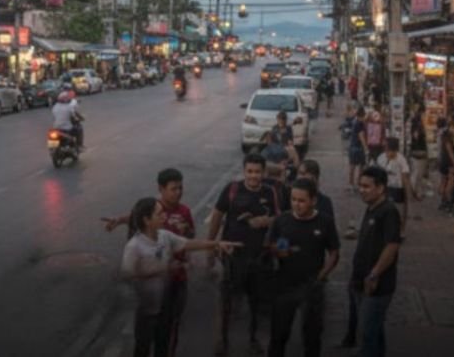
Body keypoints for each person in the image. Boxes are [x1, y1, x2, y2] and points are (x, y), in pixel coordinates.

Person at [121, 197, 240, 357]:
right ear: (147, 220)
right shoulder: (134, 246)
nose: (165, 216)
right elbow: (127, 274)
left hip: (165, 305)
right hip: (146, 311)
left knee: (163, 345)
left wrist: (217, 244)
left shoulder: (164, 236)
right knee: (142, 348)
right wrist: (163, 269)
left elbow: (189, 244)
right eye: (159, 214)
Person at [104, 169, 195, 356]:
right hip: (152, 286)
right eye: (173, 189)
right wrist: (119, 220)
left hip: (176, 280)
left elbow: (191, 236)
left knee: (169, 331)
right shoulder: (152, 209)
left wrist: (186, 231)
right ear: (161, 189)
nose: (178, 192)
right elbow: (136, 217)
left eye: (180, 188)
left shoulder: (184, 211)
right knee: (145, 334)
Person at [207, 153, 280, 356]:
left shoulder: (271, 192)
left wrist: (267, 222)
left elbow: (280, 219)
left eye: (257, 172)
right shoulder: (232, 190)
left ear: (264, 172)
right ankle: (221, 340)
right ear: (244, 171)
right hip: (233, 258)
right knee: (226, 301)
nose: (253, 176)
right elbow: (217, 217)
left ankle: (253, 339)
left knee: (256, 303)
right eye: (250, 171)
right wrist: (211, 247)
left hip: (259, 259)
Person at [267, 179, 340, 357]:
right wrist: (278, 251)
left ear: (313, 200)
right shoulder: (282, 220)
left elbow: (334, 252)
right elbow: (273, 244)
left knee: (312, 336)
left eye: (301, 200)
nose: (296, 205)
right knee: (278, 334)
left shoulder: (325, 222)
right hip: (285, 285)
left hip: (311, 286)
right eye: (293, 200)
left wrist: (322, 275)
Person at [350, 166, 402, 357]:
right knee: (374, 332)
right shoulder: (372, 208)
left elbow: (392, 246)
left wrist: (374, 274)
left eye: (366, 186)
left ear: (380, 188)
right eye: (360, 186)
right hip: (361, 281)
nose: (361, 190)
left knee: (368, 333)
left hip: (376, 285)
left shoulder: (388, 211)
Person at [377, 137, 419, 236]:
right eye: (386, 149)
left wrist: (409, 193)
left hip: (398, 189)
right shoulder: (381, 158)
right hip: (385, 188)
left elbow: (405, 177)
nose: (387, 152)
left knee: (399, 211)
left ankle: (400, 230)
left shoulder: (401, 160)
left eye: (388, 149)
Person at [408, 106, 428, 197]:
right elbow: (416, 137)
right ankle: (412, 191)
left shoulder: (416, 125)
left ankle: (417, 192)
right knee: (417, 173)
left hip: (417, 151)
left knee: (418, 173)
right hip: (418, 151)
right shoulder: (418, 126)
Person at [348, 107, 369, 190]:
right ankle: (358, 183)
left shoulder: (355, 121)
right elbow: (361, 137)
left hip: (352, 146)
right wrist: (366, 148)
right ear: (362, 115)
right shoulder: (360, 124)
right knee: (361, 166)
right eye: (364, 116)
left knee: (352, 166)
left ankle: (351, 184)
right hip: (358, 148)